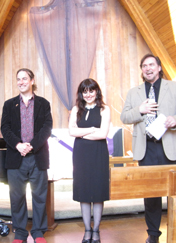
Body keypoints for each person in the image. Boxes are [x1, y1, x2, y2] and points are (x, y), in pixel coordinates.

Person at [120, 54, 176, 243]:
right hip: (147, 149)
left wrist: (175, 120)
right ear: (141, 69)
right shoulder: (133, 92)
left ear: (159, 67)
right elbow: (125, 117)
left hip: (170, 147)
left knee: (175, 194)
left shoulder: (174, 87)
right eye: (144, 65)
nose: (148, 68)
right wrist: (140, 110)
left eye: (151, 64)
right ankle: (153, 235)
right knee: (151, 195)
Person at [1, 68, 53, 243]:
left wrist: (31, 146)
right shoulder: (9, 104)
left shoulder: (43, 104)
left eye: (24, 78)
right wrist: (18, 145)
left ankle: (38, 232)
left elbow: (47, 128)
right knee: (17, 197)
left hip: (38, 155)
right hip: (16, 157)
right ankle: (20, 233)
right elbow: (5, 128)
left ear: (32, 81)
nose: (21, 82)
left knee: (39, 196)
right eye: (18, 79)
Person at [69, 78, 110, 243]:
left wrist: (82, 133)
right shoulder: (75, 109)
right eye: (85, 91)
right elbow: (71, 132)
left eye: (91, 91)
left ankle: (96, 230)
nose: (88, 94)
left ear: (97, 91)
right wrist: (93, 129)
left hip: (99, 153)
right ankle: (87, 230)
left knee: (98, 192)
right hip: (81, 155)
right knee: (84, 193)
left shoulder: (104, 109)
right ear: (81, 93)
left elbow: (103, 134)